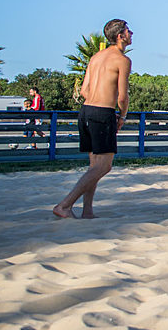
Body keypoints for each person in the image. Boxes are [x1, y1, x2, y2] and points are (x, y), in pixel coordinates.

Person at [53, 19, 132, 219]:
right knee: (104, 166)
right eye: (128, 31)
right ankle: (64, 205)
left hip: (86, 111)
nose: (132, 33)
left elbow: (84, 90)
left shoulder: (96, 57)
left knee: (94, 166)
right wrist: (122, 115)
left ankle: (87, 211)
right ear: (120, 36)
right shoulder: (122, 60)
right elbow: (123, 96)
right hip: (102, 113)